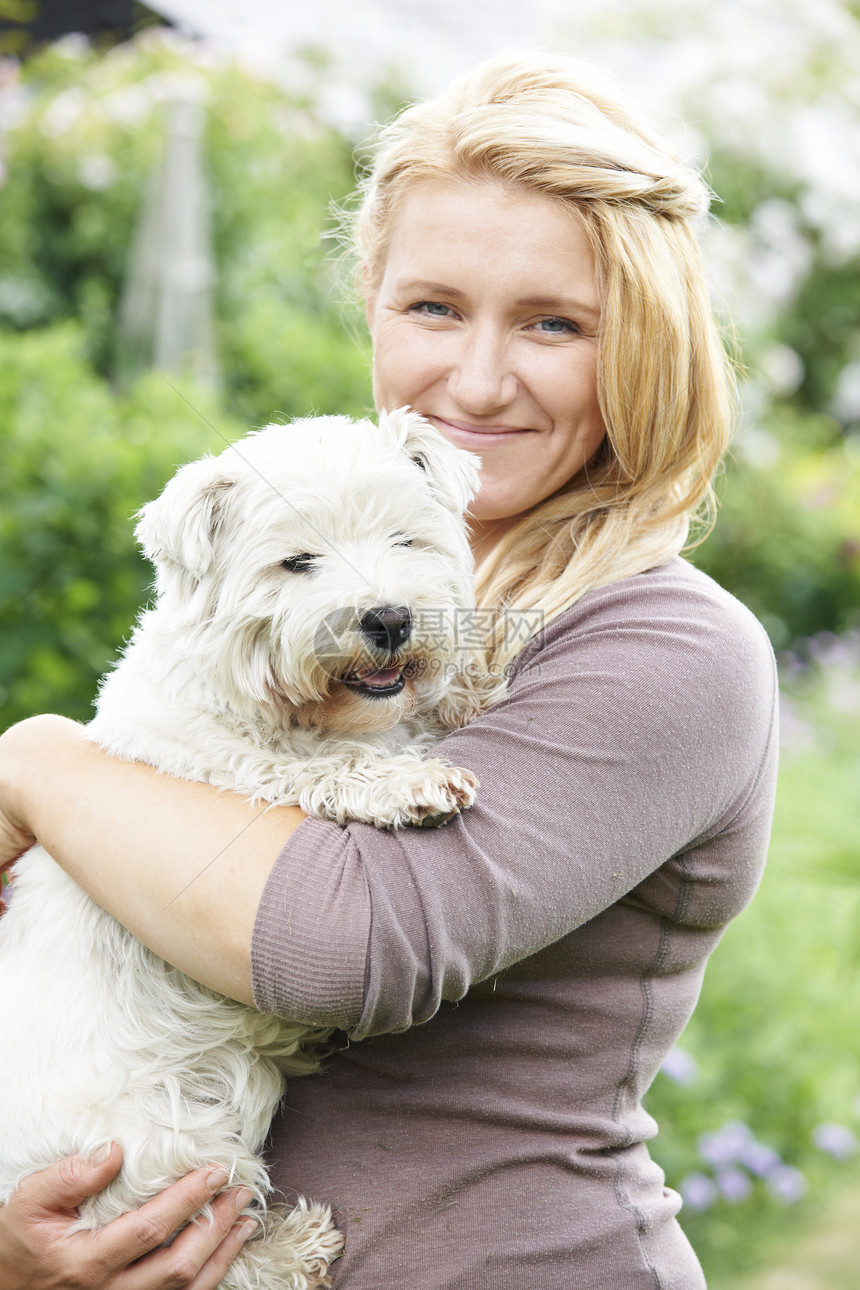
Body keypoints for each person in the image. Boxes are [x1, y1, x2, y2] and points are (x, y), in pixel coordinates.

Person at [0, 52, 778, 1289]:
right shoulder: (300, 564)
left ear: (641, 343)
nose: (475, 380)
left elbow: (350, 945)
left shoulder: (667, 646)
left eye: (552, 322)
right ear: (367, 298)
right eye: (431, 307)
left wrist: (40, 763)